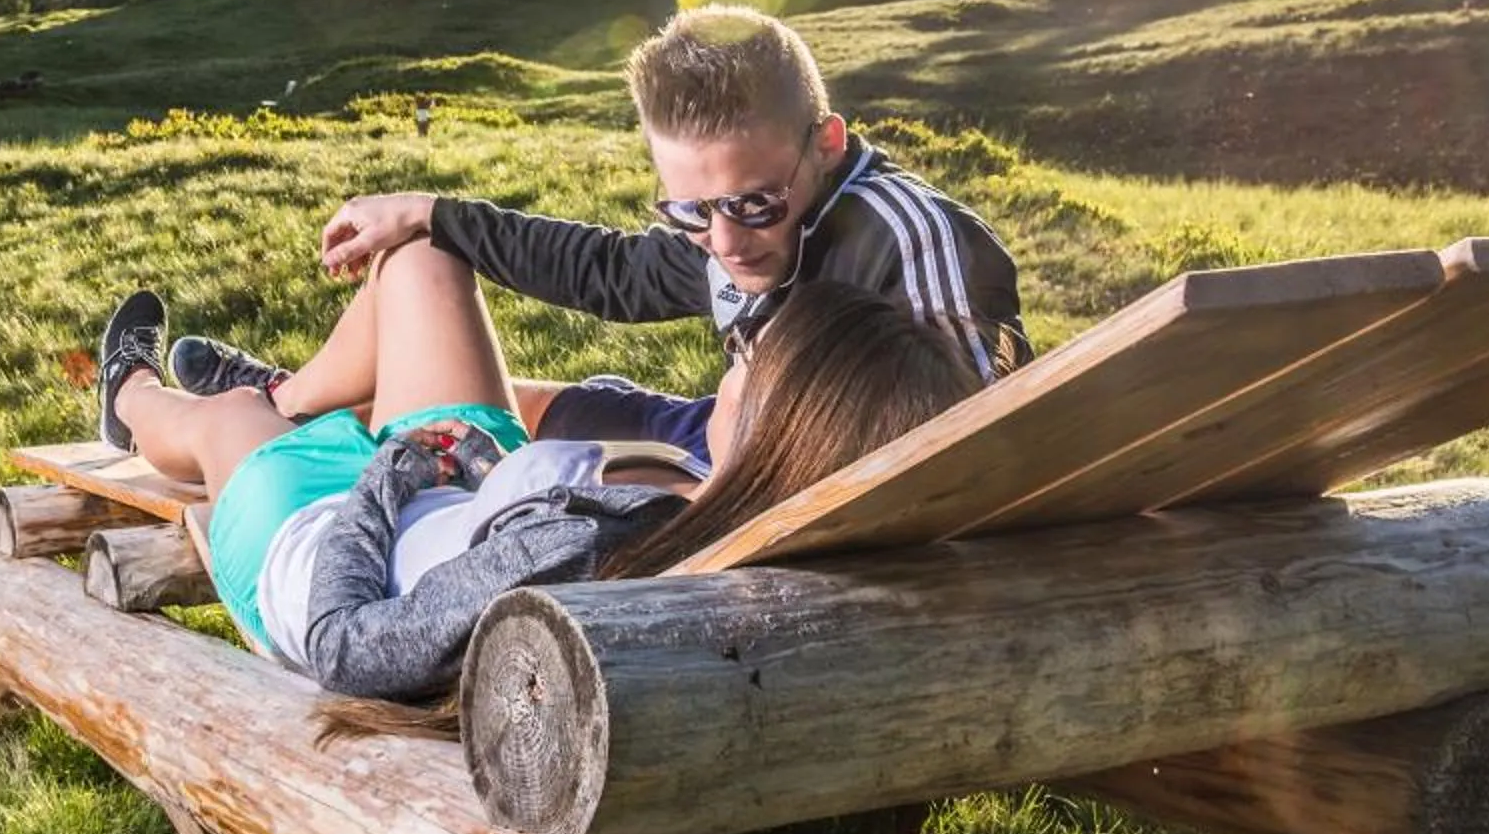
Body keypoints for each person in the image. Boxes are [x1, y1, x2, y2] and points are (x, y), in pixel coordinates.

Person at [93, 243, 977, 705]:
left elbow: (344, 641)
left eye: (762, 355)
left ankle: (131, 394)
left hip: (326, 547)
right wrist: (471, 463)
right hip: (454, 491)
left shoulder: (593, 542)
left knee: (224, 425)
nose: (739, 353)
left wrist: (388, 470)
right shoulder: (700, 504)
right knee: (423, 262)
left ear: (790, 419)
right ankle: (290, 398)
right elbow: (510, 526)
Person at [168, 4, 1025, 470]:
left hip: (762, 476)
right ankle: (279, 401)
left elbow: (969, 456)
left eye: (754, 203)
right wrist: (434, 214)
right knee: (516, 406)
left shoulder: (913, 247)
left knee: (482, 433)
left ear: (826, 146)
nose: (724, 243)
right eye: (690, 211)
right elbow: (608, 272)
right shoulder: (725, 229)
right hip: (714, 432)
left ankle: (253, 415)